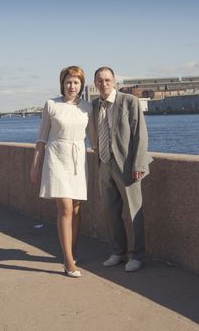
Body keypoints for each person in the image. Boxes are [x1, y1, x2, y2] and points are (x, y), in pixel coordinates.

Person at [30, 66, 94, 278]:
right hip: (57, 157)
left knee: (76, 209)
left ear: (81, 85)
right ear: (62, 83)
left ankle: (72, 251)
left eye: (76, 82)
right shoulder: (51, 105)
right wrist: (35, 166)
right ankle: (67, 261)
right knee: (65, 209)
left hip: (78, 158)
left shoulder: (87, 107)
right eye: (68, 82)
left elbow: (93, 138)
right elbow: (41, 138)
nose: (72, 86)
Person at [92, 66, 153, 272]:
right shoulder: (93, 105)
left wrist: (138, 164)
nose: (104, 84)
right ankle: (118, 252)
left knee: (134, 211)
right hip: (104, 164)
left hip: (127, 165)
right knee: (110, 211)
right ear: (95, 84)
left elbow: (140, 135)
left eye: (107, 80)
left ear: (114, 81)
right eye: (100, 81)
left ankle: (137, 256)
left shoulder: (129, 102)